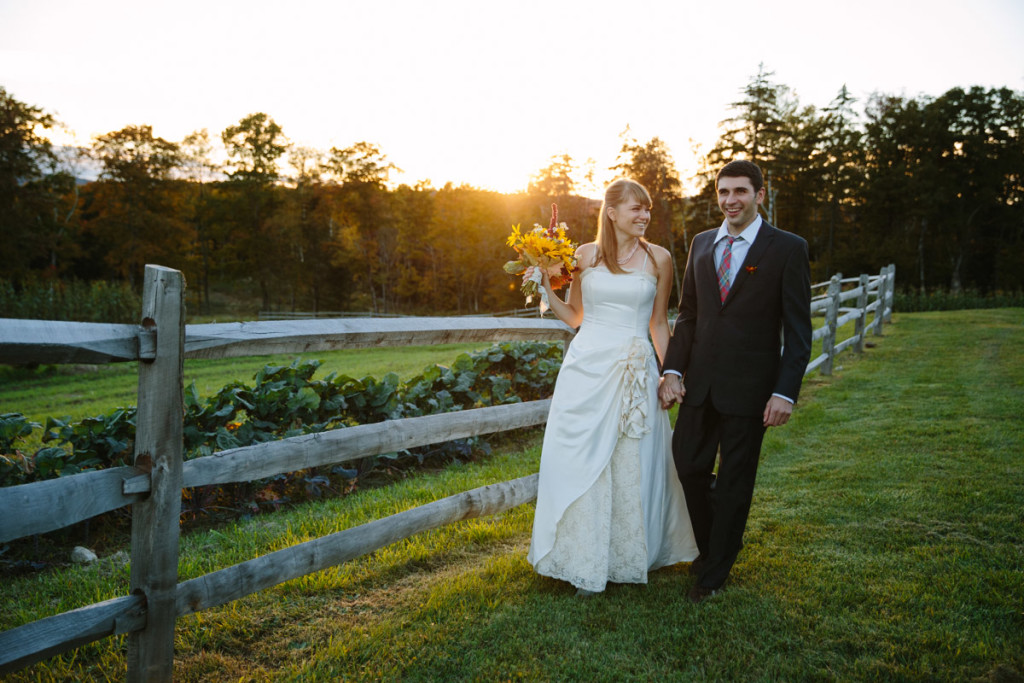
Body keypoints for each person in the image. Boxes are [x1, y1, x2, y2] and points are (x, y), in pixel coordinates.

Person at [527, 178, 698, 595]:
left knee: (630, 460)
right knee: (580, 458)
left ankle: (628, 554)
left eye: (648, 210)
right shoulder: (583, 255)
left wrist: (670, 371)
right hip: (586, 367)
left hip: (634, 368)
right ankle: (580, 556)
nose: (644, 217)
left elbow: (659, 322)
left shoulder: (658, 258)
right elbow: (575, 318)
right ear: (612, 212)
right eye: (636, 209)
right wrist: (545, 285)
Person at [659, 159, 812, 603]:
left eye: (740, 192)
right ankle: (716, 544)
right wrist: (672, 368)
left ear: (760, 195)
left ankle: (713, 570)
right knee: (687, 465)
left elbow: (798, 331)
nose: (730, 200)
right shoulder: (702, 243)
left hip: (751, 390)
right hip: (699, 384)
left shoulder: (787, 248)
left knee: (735, 481)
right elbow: (688, 315)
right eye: (724, 192)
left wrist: (785, 392)